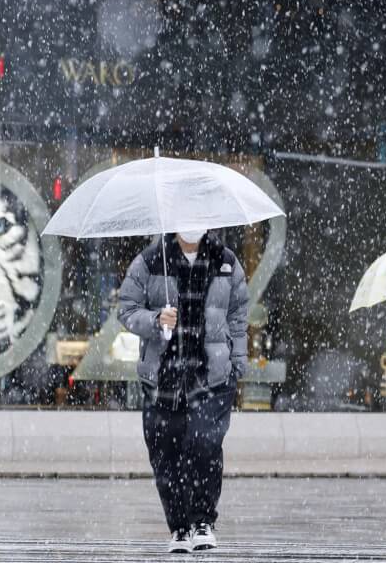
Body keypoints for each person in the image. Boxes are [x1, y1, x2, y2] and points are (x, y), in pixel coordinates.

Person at [118, 230, 248, 553]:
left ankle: (203, 520)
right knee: (165, 454)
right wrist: (155, 319)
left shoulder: (226, 262)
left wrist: (237, 361)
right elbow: (126, 309)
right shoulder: (150, 260)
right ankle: (178, 527)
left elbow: (238, 314)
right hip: (164, 376)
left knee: (204, 443)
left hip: (210, 376)